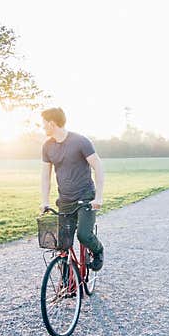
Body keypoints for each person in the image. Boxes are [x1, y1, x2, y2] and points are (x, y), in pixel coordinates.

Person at [39, 107, 105, 271]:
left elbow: (98, 166)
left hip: (85, 198)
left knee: (83, 235)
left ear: (52, 124)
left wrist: (99, 197)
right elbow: (45, 176)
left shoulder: (81, 141)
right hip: (65, 200)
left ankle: (98, 251)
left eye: (44, 124)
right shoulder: (47, 146)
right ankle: (69, 281)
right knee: (61, 244)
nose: (42, 127)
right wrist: (45, 202)